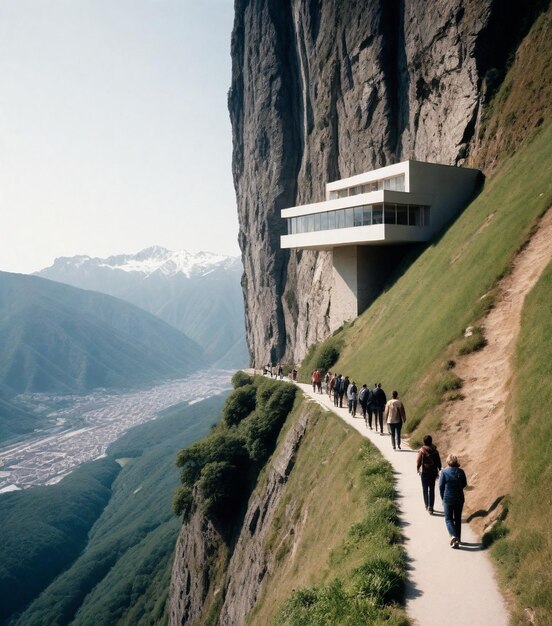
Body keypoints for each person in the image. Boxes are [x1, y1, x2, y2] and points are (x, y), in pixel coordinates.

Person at [439, 454, 468, 548]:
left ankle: (453, 535)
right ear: (456, 461)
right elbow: (464, 484)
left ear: (448, 462)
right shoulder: (461, 471)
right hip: (459, 498)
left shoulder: (444, 472)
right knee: (457, 519)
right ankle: (458, 540)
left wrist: (442, 496)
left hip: (448, 498)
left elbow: (441, 486)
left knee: (448, 519)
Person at [416, 435, 442, 514]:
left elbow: (418, 461)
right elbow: (438, 462)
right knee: (432, 489)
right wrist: (439, 469)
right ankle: (431, 507)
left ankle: (426, 505)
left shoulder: (422, 450)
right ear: (431, 441)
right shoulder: (435, 450)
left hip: (424, 472)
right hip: (433, 471)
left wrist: (417, 469)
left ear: (424, 442)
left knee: (425, 489)